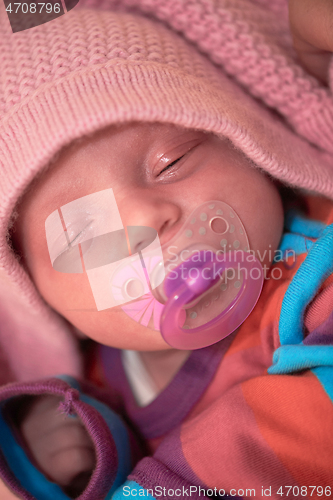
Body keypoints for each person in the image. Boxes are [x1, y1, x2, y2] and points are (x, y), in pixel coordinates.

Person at [0, 0, 332, 498]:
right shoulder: (99, 379)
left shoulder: (312, 276)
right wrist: (64, 454)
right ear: (41, 301)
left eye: (171, 161)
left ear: (252, 149)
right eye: (82, 234)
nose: (145, 219)